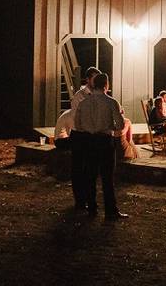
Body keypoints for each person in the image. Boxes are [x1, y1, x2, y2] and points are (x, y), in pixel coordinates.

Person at [70, 72, 128, 220]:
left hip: (89, 141)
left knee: (90, 176)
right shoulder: (111, 102)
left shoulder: (84, 103)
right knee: (107, 178)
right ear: (106, 85)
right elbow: (120, 125)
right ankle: (110, 210)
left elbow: (77, 124)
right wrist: (109, 126)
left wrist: (89, 129)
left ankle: (92, 207)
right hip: (105, 141)